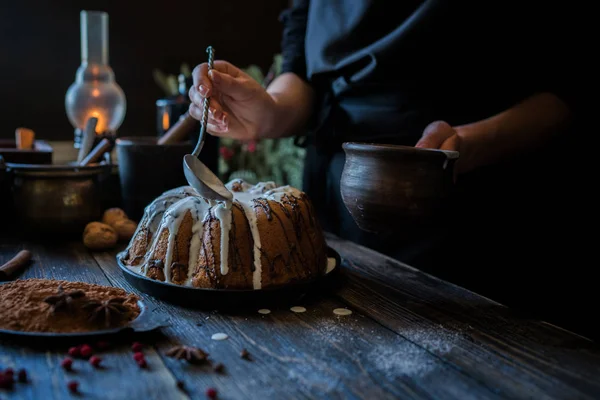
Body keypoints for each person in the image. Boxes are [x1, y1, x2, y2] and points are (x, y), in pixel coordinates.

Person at [188, 2, 591, 337]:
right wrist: (268, 113)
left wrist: (465, 145)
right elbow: (303, 74)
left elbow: (564, 88)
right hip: (334, 196)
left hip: (476, 214)